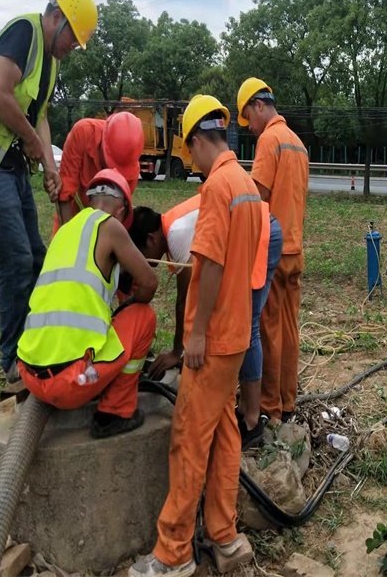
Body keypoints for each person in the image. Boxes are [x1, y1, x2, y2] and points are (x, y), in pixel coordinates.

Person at [130, 94, 261, 577]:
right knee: (225, 434)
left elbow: (210, 267)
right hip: (237, 335)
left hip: (215, 338)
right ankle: (225, 539)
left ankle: (173, 554)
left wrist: (196, 335)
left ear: (196, 141)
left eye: (189, 149)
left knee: (188, 439)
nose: (191, 159)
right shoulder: (245, 183)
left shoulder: (217, 189)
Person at [0, 0, 98, 386]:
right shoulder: (25, 33)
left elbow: (41, 116)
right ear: (58, 19)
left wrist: (52, 167)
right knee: (15, 261)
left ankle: (35, 346)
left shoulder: (51, 63)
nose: (72, 47)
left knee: (35, 256)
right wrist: (33, 142)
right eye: (73, 38)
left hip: (10, 164)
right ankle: (13, 360)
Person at [128, 196, 283, 448]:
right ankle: (245, 407)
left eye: (141, 255)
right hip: (256, 230)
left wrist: (178, 351)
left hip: (261, 234)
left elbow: (185, 298)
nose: (144, 262)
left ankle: (252, 420)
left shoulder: (177, 234)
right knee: (240, 322)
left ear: (151, 239)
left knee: (247, 324)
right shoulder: (173, 225)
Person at [17, 169, 158, 438]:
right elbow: (150, 283)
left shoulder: (65, 231)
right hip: (73, 382)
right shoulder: (110, 225)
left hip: (30, 374)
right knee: (144, 316)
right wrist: (130, 304)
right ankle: (115, 412)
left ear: (91, 198)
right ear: (121, 211)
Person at [237, 77, 309, 424]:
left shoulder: (270, 140)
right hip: (296, 248)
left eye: (248, 117)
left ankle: (269, 407)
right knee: (290, 328)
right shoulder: (298, 143)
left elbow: (258, 197)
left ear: (259, 105)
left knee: (268, 328)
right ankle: (288, 400)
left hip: (274, 251)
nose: (249, 127)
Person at [57, 111, 144, 225]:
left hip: (105, 225)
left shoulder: (130, 168)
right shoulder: (83, 133)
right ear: (103, 142)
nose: (113, 171)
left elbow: (119, 215)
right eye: (112, 164)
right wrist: (68, 233)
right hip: (72, 216)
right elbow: (65, 192)